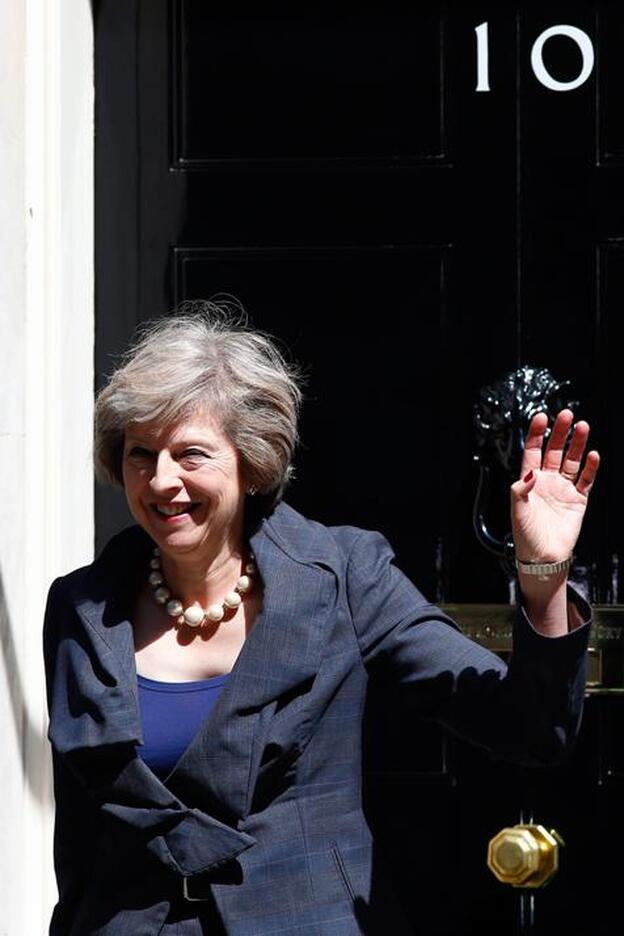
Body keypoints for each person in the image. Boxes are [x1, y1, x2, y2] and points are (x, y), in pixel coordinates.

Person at [44, 303, 599, 935]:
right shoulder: (82, 608)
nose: (161, 481)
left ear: (252, 462)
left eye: (191, 454)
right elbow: (82, 843)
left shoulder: (345, 576)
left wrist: (543, 575)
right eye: (141, 454)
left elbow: (531, 728)